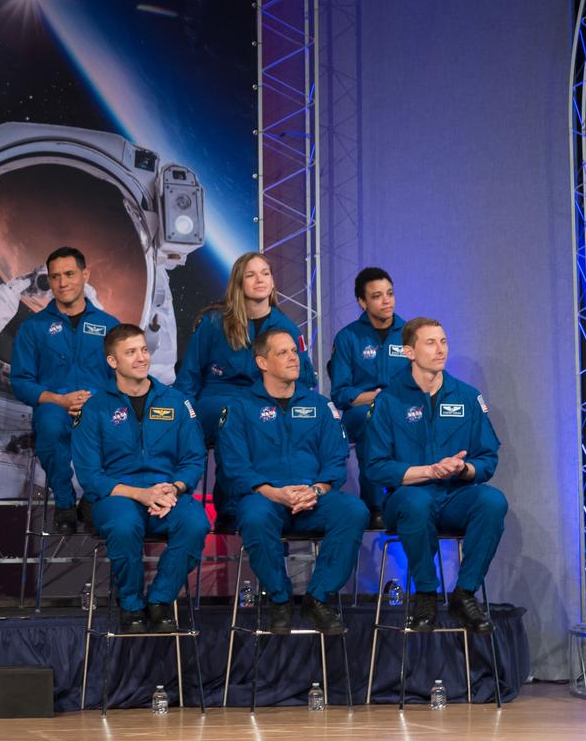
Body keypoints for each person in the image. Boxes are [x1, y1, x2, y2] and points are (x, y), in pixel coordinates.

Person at [217, 329, 368, 634]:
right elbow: (234, 465)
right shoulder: (240, 407)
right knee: (254, 516)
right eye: (283, 352)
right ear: (262, 361)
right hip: (265, 498)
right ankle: (280, 598)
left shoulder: (320, 406)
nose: (293, 358)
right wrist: (273, 492)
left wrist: (315, 490)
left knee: (354, 511)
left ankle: (318, 597)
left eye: (294, 351)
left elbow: (336, 460)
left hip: (313, 498)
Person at [362, 317, 506, 634]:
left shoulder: (466, 397)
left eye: (443, 341)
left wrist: (464, 469)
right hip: (407, 498)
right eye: (430, 342)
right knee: (415, 503)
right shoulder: (388, 401)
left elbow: (487, 457)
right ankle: (426, 593)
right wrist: (429, 470)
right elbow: (375, 466)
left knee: (493, 501)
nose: (440, 349)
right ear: (409, 352)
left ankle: (464, 593)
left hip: (454, 495)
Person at [70, 324, 210, 632]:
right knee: (123, 526)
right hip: (116, 496)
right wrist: (139, 494)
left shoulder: (175, 401)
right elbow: (91, 475)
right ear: (112, 361)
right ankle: (131, 604)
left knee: (197, 523)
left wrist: (173, 488)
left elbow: (193, 458)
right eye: (131, 352)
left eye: (144, 350)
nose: (141, 358)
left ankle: (160, 601)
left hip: (166, 492)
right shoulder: (95, 408)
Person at [174, 251, 316, 524]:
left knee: (270, 419)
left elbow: (305, 378)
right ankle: (230, 506)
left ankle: (274, 505)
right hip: (217, 399)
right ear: (239, 283)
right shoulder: (214, 322)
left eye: (265, 273)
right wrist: (184, 415)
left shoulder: (285, 327)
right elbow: (189, 375)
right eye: (251, 275)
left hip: (264, 400)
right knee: (235, 417)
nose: (259, 280)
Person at [11, 247, 119, 535]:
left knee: (118, 429)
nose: (63, 283)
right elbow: (21, 381)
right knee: (48, 426)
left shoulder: (109, 326)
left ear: (85, 275)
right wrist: (58, 399)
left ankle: (94, 500)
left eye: (69, 274)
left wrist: (93, 402)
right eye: (55, 276)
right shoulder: (34, 328)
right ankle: (64, 502)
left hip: (98, 407)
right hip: (54, 405)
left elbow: (122, 377)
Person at [329, 267, 408, 525]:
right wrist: (373, 398)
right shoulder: (348, 337)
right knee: (371, 420)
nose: (387, 301)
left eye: (390, 293)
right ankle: (374, 506)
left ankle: (409, 498)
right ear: (362, 302)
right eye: (377, 296)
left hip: (403, 410)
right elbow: (340, 392)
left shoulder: (410, 334)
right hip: (362, 411)